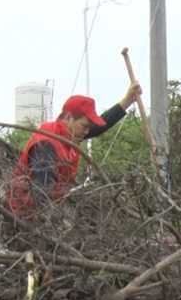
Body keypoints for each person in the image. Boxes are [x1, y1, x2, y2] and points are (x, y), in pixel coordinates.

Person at [8, 84, 142, 217]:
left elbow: (99, 126)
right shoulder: (46, 144)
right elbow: (42, 194)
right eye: (84, 126)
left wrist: (128, 100)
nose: (87, 131)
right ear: (68, 118)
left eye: (88, 127)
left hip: (47, 213)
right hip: (26, 217)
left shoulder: (68, 135)